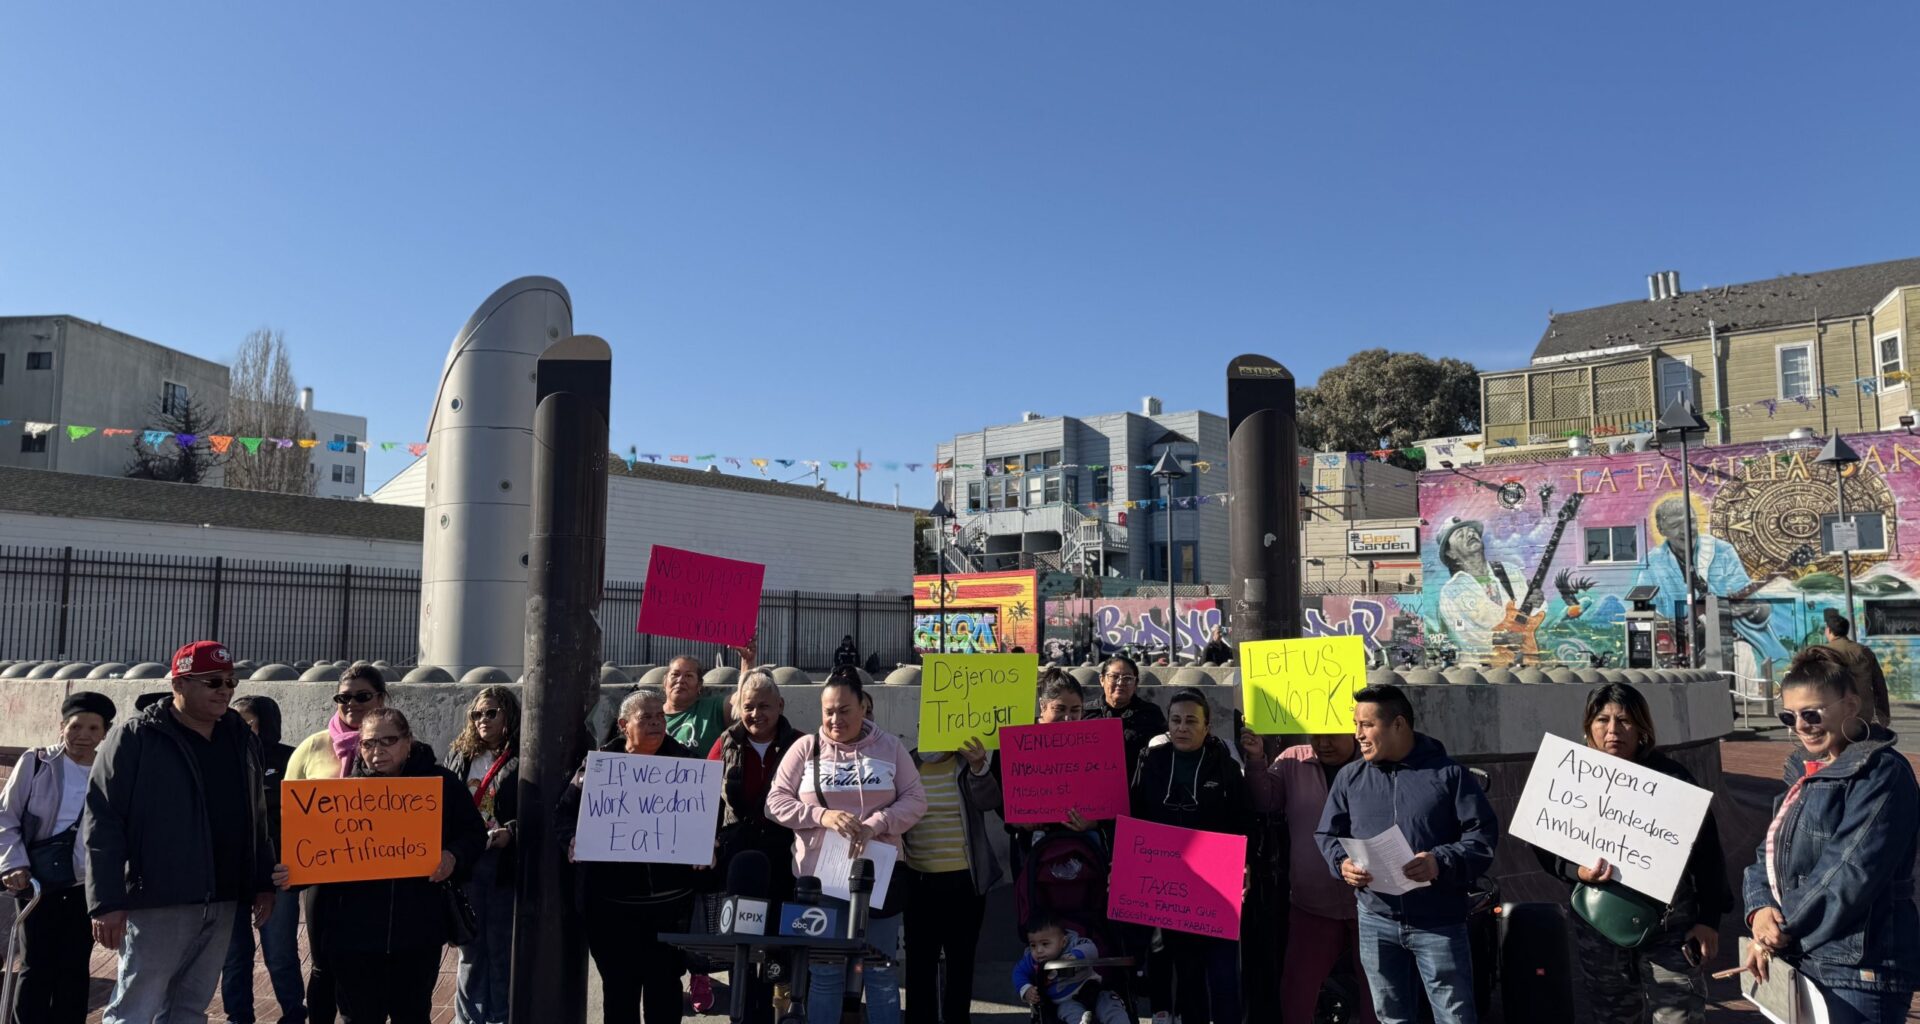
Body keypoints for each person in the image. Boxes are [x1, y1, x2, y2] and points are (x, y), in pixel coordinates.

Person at [83, 640, 277, 1024]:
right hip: (157, 901)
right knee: (136, 1008)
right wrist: (105, 901)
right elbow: (102, 821)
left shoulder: (241, 738)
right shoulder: (136, 738)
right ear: (179, 683)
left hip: (222, 900)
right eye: (213, 682)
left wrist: (262, 881)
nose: (224, 691)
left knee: (190, 1009)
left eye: (230, 682)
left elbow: (256, 816)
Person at [1530, 683, 1731, 1024]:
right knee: (1612, 1016)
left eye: (1623, 721)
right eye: (1602, 720)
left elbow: (1708, 853)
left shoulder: (1673, 779)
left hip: (1671, 927)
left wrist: (1708, 920)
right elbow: (1545, 842)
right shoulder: (1570, 777)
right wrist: (1576, 871)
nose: (1612, 731)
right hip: (1599, 924)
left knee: (1679, 1016)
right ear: (1588, 727)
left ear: (1641, 728)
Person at [1742, 646, 1919, 1022]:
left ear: (1850, 705)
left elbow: (1846, 874)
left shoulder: (1882, 774)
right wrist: (1759, 911)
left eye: (1812, 713)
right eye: (1789, 715)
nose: (1801, 725)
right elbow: (1767, 854)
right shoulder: (1807, 772)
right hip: (1803, 960)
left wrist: (1776, 930)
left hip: (1857, 970)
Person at [1317, 684, 1497, 1024]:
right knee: (1391, 1016)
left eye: (1366, 725)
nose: (1357, 735)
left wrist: (1438, 862)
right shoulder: (1349, 778)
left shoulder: (1450, 775)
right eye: (1356, 724)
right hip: (1375, 919)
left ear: (1398, 724)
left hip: (1439, 921)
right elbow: (1327, 833)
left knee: (1455, 1016)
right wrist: (1341, 863)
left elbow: (1482, 838)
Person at [303, 708, 486, 1024]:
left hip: (417, 934)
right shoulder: (343, 793)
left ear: (408, 742)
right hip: (355, 939)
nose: (378, 751)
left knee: (413, 1015)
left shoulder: (442, 784)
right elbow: (316, 858)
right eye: (369, 744)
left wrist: (453, 856)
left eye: (388, 741)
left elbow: (474, 834)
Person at [766, 668, 926, 1024]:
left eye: (844, 710)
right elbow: (775, 802)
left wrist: (876, 824)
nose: (835, 719)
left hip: (879, 878)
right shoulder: (805, 748)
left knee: (881, 974)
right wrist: (821, 816)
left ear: (863, 707)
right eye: (828, 711)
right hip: (822, 883)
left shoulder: (890, 747)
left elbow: (916, 800)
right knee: (825, 974)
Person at [563, 688, 701, 1024]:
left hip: (670, 907)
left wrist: (707, 843)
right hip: (612, 908)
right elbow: (564, 815)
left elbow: (709, 814)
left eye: (660, 717)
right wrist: (571, 840)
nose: (656, 723)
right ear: (625, 725)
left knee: (665, 992)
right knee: (620, 995)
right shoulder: (598, 768)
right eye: (647, 718)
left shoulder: (686, 764)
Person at [1130, 688, 1248, 1024]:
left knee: (1224, 973)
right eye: (1176, 720)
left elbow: (1242, 817)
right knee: (1186, 969)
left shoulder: (1224, 765)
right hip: (1168, 882)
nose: (1182, 727)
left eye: (1191, 721)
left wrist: (1246, 861)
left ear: (1207, 726)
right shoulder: (1151, 761)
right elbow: (1136, 815)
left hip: (1216, 880)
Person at [1245, 728, 1377, 1024]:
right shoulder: (1292, 760)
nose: (1322, 743)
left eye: (1332, 736)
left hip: (1371, 901)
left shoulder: (1376, 762)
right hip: (1311, 901)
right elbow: (1265, 801)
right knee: (1297, 990)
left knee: (1377, 991)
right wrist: (1255, 759)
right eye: (1315, 736)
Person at [0, 691, 116, 1024]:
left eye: (94, 729)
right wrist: (13, 863)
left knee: (75, 968)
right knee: (36, 965)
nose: (84, 736)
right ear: (62, 726)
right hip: (38, 882)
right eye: (76, 726)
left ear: (104, 733)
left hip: (85, 884)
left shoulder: (109, 770)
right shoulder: (37, 762)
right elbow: (6, 816)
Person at [285, 664, 388, 1024]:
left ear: (381, 698)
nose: (352, 704)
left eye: (362, 696)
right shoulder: (313, 746)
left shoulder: (398, 748)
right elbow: (289, 812)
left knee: (366, 967)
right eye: (343, 697)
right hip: (324, 879)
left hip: (378, 880)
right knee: (322, 966)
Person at [901, 730, 999, 1024]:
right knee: (919, 965)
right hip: (919, 880)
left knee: (961, 962)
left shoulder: (966, 762)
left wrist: (980, 767)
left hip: (964, 881)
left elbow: (990, 801)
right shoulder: (908, 763)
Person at [222, 695, 306, 1024]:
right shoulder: (224, 757)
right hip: (232, 874)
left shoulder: (289, 759)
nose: (238, 727)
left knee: (280, 951)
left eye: (246, 721)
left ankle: (294, 1013)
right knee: (234, 955)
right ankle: (238, 1016)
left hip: (278, 873)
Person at [1636, 496, 1788, 664]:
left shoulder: (1722, 551)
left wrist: (1732, 606)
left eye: (1691, 522)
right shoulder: (1652, 561)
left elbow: (1746, 599)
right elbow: (1641, 608)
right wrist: (1665, 623)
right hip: (1679, 652)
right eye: (1675, 525)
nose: (1685, 530)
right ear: (1661, 530)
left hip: (1728, 645)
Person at [447, 687, 521, 1024]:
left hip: (503, 863)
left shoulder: (523, 756)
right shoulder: (460, 756)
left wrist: (512, 832)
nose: (483, 720)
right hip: (468, 862)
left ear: (509, 715)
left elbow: (537, 809)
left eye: (491, 713)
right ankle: (468, 1019)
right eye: (477, 714)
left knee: (501, 948)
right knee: (470, 949)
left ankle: (500, 1018)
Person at [1013, 914, 1130, 1024]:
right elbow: (1019, 972)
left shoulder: (1074, 944)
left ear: (1063, 942)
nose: (1038, 951)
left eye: (1045, 944)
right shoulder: (1032, 960)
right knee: (1070, 1013)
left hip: (1093, 989)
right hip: (1065, 1001)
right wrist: (1026, 989)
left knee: (1111, 1005)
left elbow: (1091, 949)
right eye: (1033, 945)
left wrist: (1075, 957)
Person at [1086, 655, 1166, 776]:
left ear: (1136, 684)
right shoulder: (1085, 713)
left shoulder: (1151, 714)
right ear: (1102, 680)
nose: (1120, 683)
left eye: (1127, 678)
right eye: (1114, 677)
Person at [1822, 610, 1891, 728]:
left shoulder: (1822, 652)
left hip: (1833, 711)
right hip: (1863, 711)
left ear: (1828, 630)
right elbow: (1879, 685)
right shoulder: (1864, 651)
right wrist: (1883, 714)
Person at [664, 654, 732, 759]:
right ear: (665, 681)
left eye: (689, 676)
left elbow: (744, 700)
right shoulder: (650, 713)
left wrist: (747, 661)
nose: (681, 680)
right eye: (675, 674)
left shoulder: (714, 709)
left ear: (699, 685)